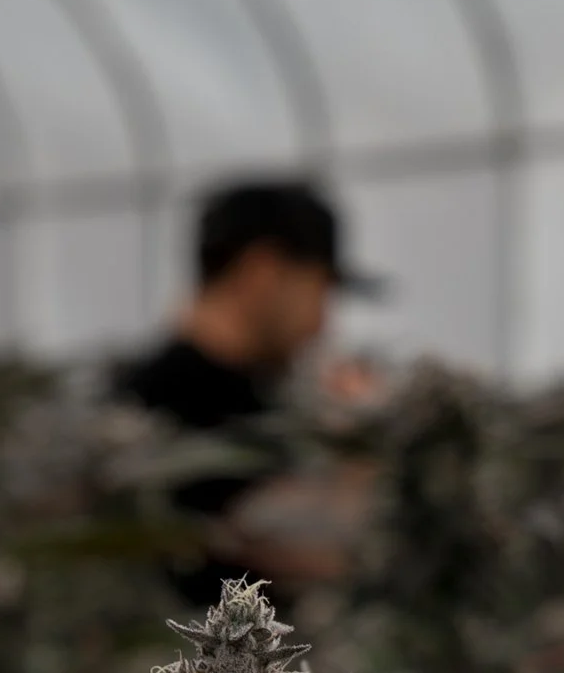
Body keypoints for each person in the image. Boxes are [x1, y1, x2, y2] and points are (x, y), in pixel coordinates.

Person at [112, 179, 381, 606]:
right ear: (262, 273)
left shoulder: (253, 397)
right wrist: (361, 450)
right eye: (318, 289)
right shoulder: (167, 404)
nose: (322, 322)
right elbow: (312, 554)